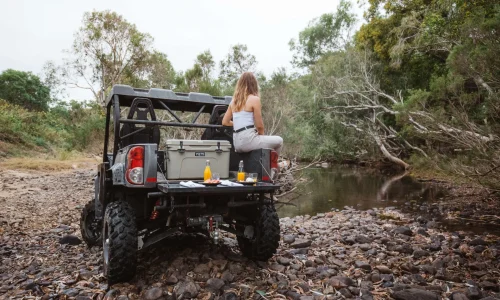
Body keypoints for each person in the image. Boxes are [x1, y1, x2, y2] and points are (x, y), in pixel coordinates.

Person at [222, 72, 283, 156]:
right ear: (254, 85)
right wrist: (261, 136)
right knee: (279, 141)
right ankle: (273, 169)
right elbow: (260, 126)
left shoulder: (233, 101)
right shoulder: (254, 99)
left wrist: (238, 125)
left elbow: (225, 122)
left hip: (236, 143)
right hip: (248, 141)